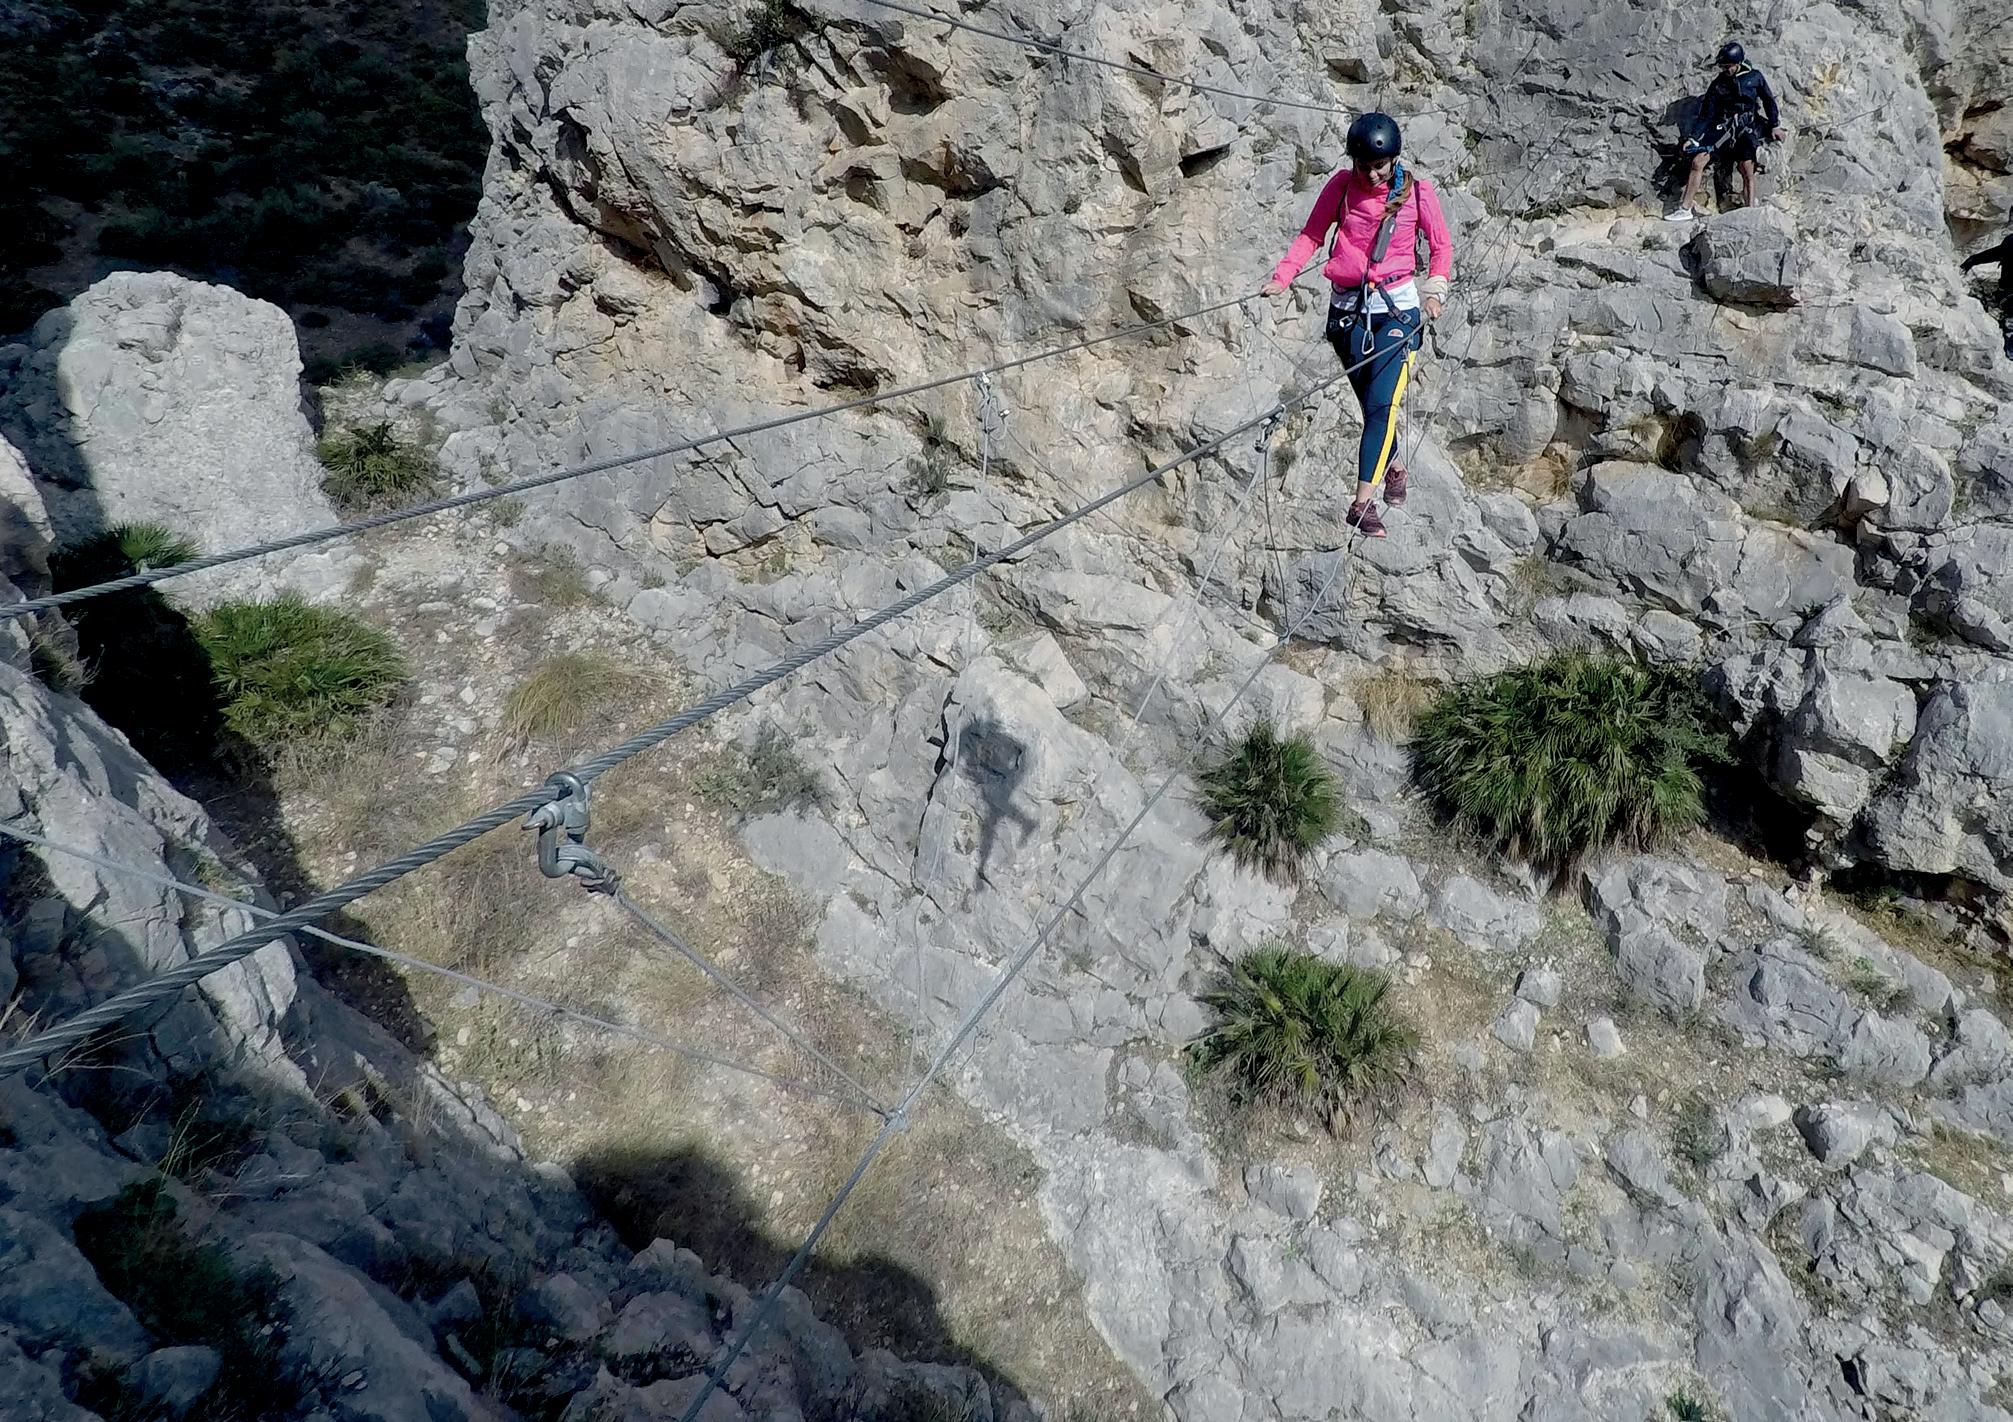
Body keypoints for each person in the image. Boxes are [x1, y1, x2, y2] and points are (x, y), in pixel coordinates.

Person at [1263, 111, 1452, 539]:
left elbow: (1441, 247)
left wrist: (1434, 292)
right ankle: (1394, 467)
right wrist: (1282, 277)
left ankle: (1362, 504)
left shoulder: (1418, 193)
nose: (1370, 174)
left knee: (1382, 405)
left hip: (1398, 311)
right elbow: (1312, 235)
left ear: (1394, 159)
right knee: (1372, 407)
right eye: (1363, 165)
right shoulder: (1341, 187)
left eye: (1378, 166)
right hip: (1348, 312)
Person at [1667, 41, 1785, 221]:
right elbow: (1707, 113)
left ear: (1738, 63)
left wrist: (1775, 124)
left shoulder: (1755, 77)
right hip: (1722, 127)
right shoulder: (1718, 84)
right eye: (1723, 66)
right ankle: (1685, 209)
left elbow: (1768, 101)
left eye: (1729, 66)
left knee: (1747, 168)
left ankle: (1750, 211)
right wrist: (1694, 138)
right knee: (1698, 161)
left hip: (1746, 127)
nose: (1725, 70)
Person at [1961, 227, 2013, 359]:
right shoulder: (2010, 242)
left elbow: (1995, 253)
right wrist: (1972, 260)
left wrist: (1972, 261)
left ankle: (2007, 354)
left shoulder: (2010, 242)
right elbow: (1996, 253)